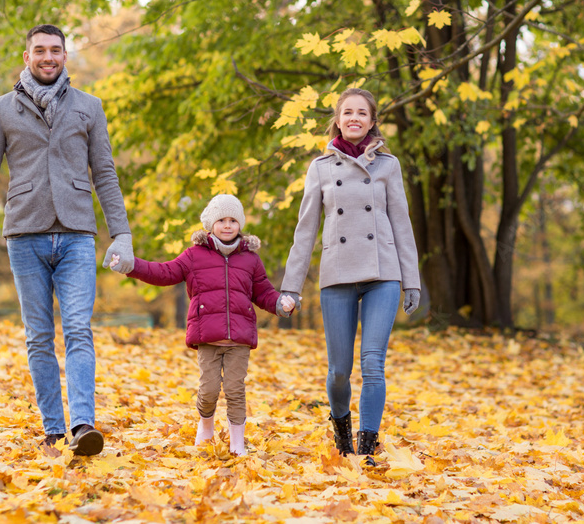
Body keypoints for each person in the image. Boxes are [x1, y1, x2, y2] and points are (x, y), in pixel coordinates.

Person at [0, 24, 136, 457]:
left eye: (56, 49)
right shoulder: (1, 109)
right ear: (27, 56)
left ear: (66, 56)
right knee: (38, 336)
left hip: (76, 234)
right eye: (40, 50)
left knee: (77, 329)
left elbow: (104, 173)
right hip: (24, 233)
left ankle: (83, 425)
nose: (48, 56)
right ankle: (54, 430)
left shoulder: (89, 107)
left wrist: (122, 234)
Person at [278, 86, 421, 465]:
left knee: (373, 362)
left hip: (383, 273)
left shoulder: (389, 165)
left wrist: (412, 279)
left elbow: (401, 224)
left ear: (373, 121)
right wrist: (290, 287)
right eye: (347, 113)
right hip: (337, 274)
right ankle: (342, 432)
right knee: (340, 370)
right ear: (337, 120)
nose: (354, 118)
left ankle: (368, 445)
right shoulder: (320, 168)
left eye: (362, 113)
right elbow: (305, 230)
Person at [113, 194, 292, 456]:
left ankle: (237, 444)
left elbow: (263, 292)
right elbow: (164, 272)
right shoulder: (194, 256)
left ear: (240, 224)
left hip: (239, 341)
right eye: (222, 220)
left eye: (233, 220)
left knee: (235, 390)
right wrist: (133, 266)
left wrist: (279, 303)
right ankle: (206, 424)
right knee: (208, 391)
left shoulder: (250, 259)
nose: (228, 225)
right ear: (210, 224)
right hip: (207, 337)